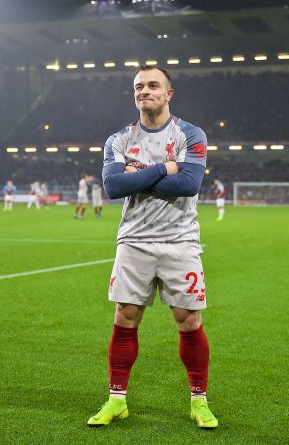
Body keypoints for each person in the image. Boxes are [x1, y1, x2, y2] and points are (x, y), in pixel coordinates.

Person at [87, 65, 217, 429]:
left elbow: (189, 183)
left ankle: (199, 401)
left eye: (153, 85)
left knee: (188, 320)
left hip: (181, 241)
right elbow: (113, 188)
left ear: (168, 94)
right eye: (138, 86)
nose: (145, 90)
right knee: (125, 317)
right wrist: (163, 168)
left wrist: (137, 177)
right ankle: (117, 400)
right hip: (134, 242)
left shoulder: (190, 134)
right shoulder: (118, 140)